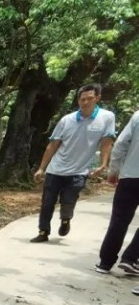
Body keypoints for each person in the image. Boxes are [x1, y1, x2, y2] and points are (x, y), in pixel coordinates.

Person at [31, 84, 116, 243]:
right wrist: (41, 168)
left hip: (79, 171)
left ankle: (65, 219)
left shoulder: (107, 117)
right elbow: (53, 145)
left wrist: (104, 164)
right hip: (55, 169)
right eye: (82, 99)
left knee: (68, 201)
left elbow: (107, 142)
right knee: (47, 202)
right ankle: (43, 231)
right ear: (78, 101)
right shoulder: (66, 120)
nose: (85, 102)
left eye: (89, 98)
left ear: (97, 98)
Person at [96, 110, 139, 276]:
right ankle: (130, 258)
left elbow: (121, 143)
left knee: (119, 220)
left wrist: (113, 170)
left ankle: (105, 263)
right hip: (129, 175)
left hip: (129, 177)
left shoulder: (137, 116)